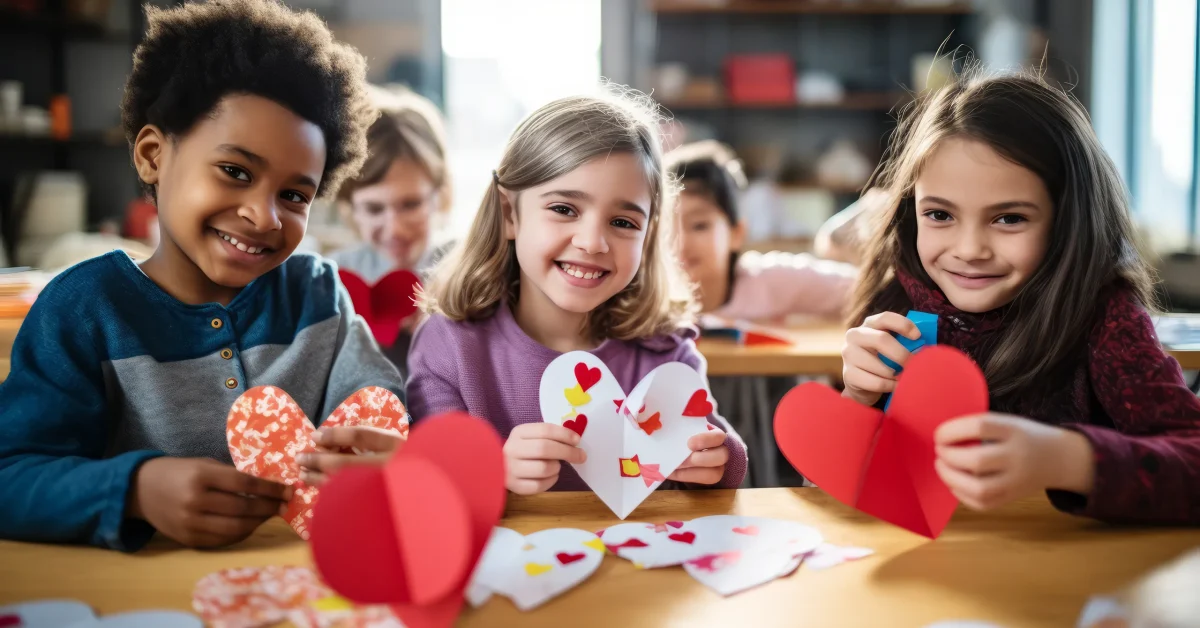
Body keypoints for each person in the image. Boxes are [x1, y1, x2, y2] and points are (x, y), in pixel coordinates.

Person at [0, 0, 403, 551]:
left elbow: (378, 404)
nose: (264, 216)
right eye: (235, 172)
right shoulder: (83, 309)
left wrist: (383, 452)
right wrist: (136, 489)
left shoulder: (317, 295)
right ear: (152, 156)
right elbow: (11, 476)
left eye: (293, 195)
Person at [840, 70, 1200, 524]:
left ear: (1066, 218)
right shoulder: (898, 298)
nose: (969, 250)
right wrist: (856, 398)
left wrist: (1067, 459)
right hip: (924, 575)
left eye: (1009, 219)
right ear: (913, 210)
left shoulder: (1103, 317)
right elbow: (848, 488)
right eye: (939, 214)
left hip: (1068, 584)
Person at [405, 91, 749, 494]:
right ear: (508, 214)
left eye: (622, 221)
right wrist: (490, 469)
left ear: (649, 235)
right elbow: (428, 481)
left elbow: (718, 457)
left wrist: (717, 459)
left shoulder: (665, 351)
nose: (592, 242)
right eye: (564, 209)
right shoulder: (449, 345)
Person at [668, 140, 857, 324]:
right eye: (665, 227)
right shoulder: (643, 296)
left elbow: (864, 287)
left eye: (699, 225)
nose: (680, 242)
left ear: (737, 234)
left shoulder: (769, 281)